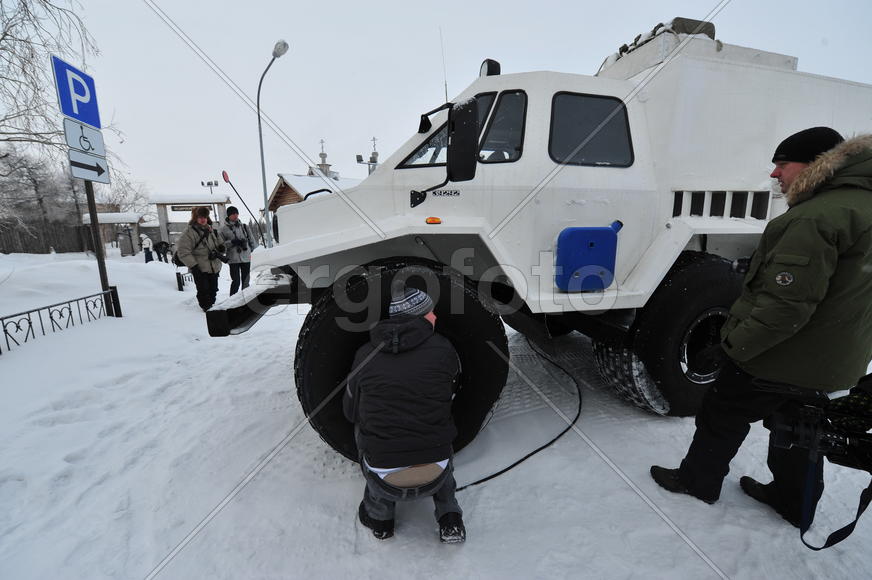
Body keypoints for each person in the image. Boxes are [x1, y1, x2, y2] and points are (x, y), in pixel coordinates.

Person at [650, 127, 872, 528]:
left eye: (782, 163)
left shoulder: (816, 217)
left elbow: (784, 307)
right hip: (834, 360)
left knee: (723, 413)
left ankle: (697, 482)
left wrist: (731, 346)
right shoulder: (862, 208)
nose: (774, 173)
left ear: (817, 164)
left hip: (781, 355)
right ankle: (793, 503)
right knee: (800, 428)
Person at [343, 281, 466, 543]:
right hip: (437, 472)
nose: (435, 316)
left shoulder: (365, 354)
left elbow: (350, 411)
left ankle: (380, 518)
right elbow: (452, 394)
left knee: (363, 426)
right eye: (431, 312)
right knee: (437, 425)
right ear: (422, 316)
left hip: (384, 477)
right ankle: (449, 516)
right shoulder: (444, 349)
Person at [176, 206, 226, 311]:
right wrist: (194, 266)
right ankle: (206, 310)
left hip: (214, 266)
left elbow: (220, 243)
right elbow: (183, 251)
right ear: (195, 218)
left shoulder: (212, 230)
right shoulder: (189, 232)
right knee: (203, 290)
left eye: (205, 217)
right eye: (200, 217)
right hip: (199, 267)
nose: (203, 219)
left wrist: (221, 248)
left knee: (213, 289)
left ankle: (211, 306)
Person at [219, 206, 259, 296]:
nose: (235, 215)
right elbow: (221, 245)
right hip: (233, 259)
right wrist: (232, 242)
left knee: (246, 281)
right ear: (229, 215)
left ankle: (245, 300)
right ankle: (232, 301)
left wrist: (253, 251)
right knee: (236, 281)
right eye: (233, 214)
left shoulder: (244, 226)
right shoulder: (223, 229)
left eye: (236, 213)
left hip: (246, 257)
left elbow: (251, 240)